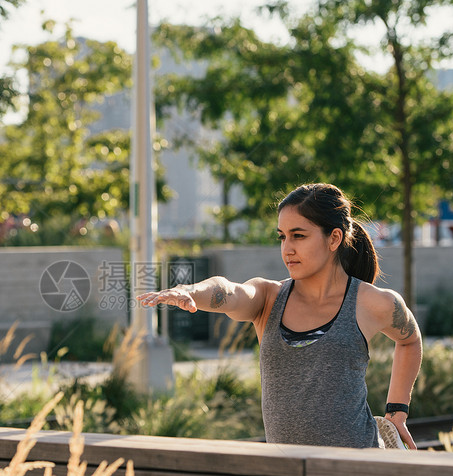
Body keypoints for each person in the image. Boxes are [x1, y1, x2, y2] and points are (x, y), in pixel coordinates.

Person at [137, 183, 422, 449]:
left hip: (357, 470)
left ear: (334, 238)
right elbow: (228, 291)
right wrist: (190, 291)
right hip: (287, 471)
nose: (287, 249)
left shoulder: (373, 303)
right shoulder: (268, 298)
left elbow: (410, 340)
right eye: (282, 237)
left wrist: (398, 410)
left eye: (299, 235)